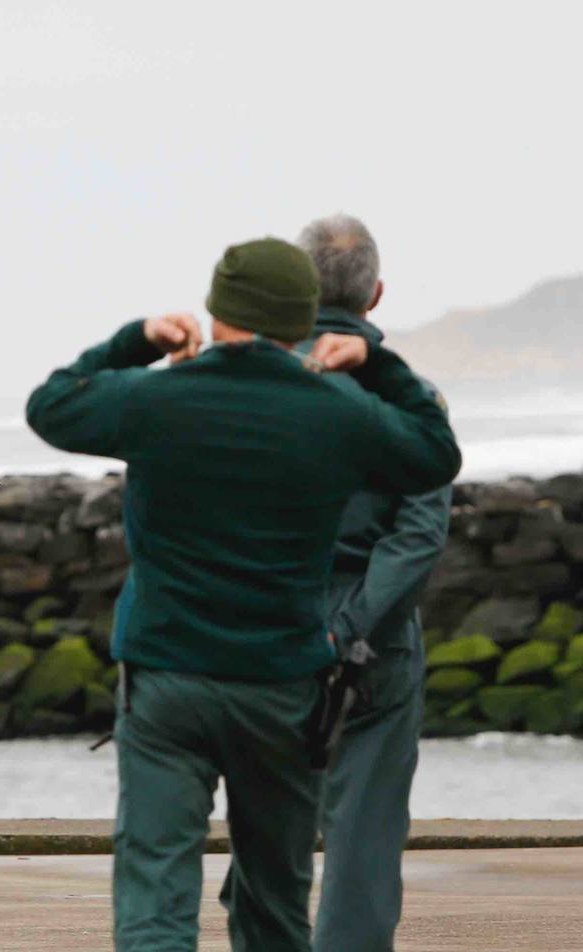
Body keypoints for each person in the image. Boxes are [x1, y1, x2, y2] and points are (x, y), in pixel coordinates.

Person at [25, 238, 461, 951]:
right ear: (302, 320)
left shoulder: (157, 396)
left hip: (168, 675)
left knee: (156, 896)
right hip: (282, 680)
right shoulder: (337, 411)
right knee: (271, 901)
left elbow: (51, 405)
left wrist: (137, 340)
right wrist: (378, 365)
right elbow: (433, 452)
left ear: (214, 310)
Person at [294, 214, 453, 952]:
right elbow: (418, 533)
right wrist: (352, 626)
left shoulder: (255, 384)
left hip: (267, 623)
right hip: (376, 634)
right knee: (365, 832)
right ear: (377, 294)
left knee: (270, 823)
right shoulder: (410, 397)